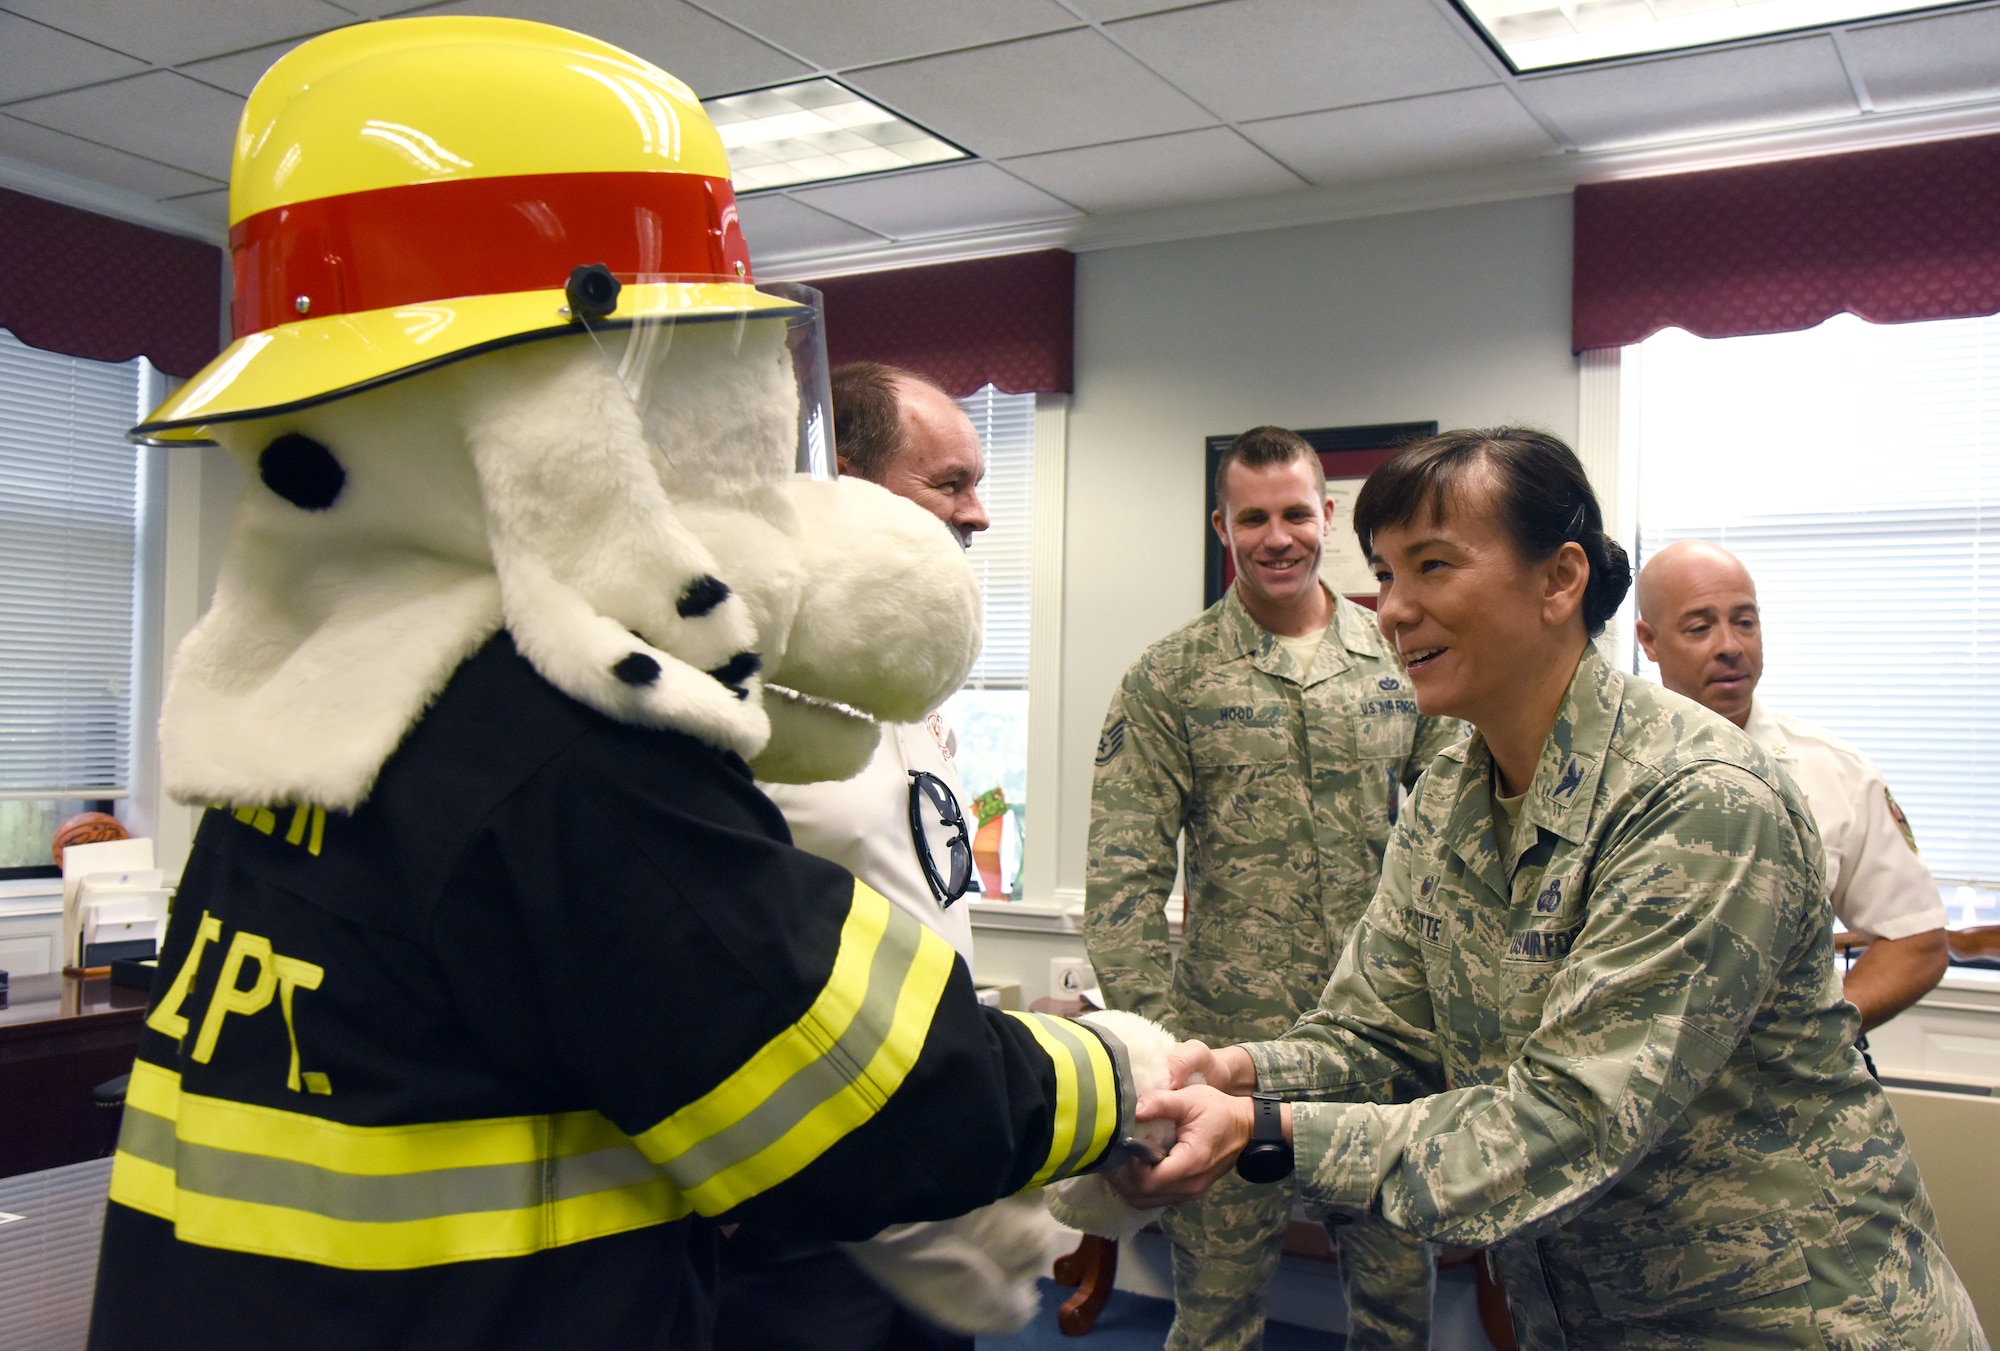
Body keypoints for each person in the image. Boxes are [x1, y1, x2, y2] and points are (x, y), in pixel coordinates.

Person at [1119, 429, 1984, 1350]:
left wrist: (1265, 1130)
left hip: (1782, 1315)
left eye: (1433, 566)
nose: (1396, 609)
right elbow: (1379, 1032)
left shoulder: (1697, 800)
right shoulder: (1453, 787)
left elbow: (1563, 1119)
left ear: (1560, 580)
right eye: (1385, 573)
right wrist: (1238, 1071)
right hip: (1580, 1314)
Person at [1085, 425, 1461, 1351]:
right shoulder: (1171, 678)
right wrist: (1160, 1057)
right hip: (1228, 1053)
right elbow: (1123, 881)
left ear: (1327, 517)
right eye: (1253, 517)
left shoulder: (1401, 656)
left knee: (1396, 1312)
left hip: (1381, 1056)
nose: (1277, 535)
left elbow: (1461, 841)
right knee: (1214, 1319)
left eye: (1296, 512)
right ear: (1224, 527)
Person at [715, 363, 1051, 1351]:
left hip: (926, 1157)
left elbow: (910, 882)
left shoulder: (907, 672)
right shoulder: (749, 683)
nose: (979, 514)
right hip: (800, 1201)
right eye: (947, 484)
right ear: (843, 481)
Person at [1635, 540, 1948, 1032]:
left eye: (1745, 621)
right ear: (1648, 641)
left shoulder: (1834, 771)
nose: (1731, 646)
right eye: (1700, 627)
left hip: (1787, 1094)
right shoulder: (1607, 768)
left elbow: (1917, 941)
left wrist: (1814, 1033)